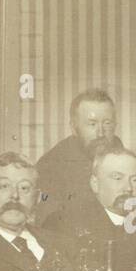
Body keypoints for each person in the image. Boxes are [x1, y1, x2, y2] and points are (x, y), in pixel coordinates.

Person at [44, 141, 136, 271]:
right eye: (117, 178)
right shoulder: (64, 222)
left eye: (135, 180)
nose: (128, 188)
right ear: (95, 184)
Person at [34, 88, 118, 224]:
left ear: (115, 125)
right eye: (92, 124)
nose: (100, 133)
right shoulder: (50, 165)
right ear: (74, 128)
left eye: (107, 123)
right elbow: (48, 225)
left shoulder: (121, 155)